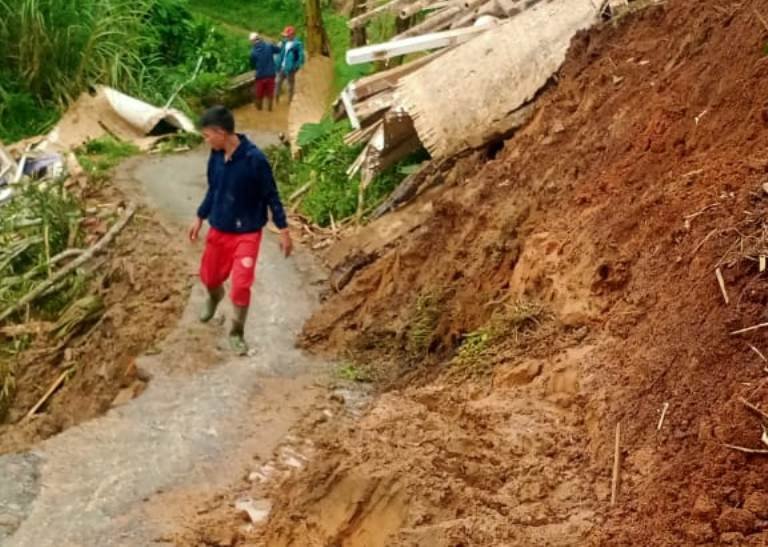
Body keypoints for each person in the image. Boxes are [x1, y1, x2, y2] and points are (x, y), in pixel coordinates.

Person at [189, 106, 293, 354]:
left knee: (241, 284)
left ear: (221, 132)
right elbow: (213, 189)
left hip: (247, 232)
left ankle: (236, 332)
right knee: (210, 278)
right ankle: (214, 297)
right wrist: (200, 216)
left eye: (207, 136)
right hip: (219, 228)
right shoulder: (216, 156)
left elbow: (271, 196)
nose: (206, 141)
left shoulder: (255, 160)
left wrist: (284, 230)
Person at [249, 32, 280, 111]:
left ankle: (259, 111)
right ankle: (270, 110)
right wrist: (274, 44)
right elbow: (278, 50)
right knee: (270, 95)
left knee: (259, 95)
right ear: (260, 38)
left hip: (260, 76)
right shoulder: (269, 46)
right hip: (271, 75)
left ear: (252, 41)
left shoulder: (252, 52)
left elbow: (252, 65)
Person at [275, 26, 305, 104]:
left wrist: (295, 67)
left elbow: (301, 58)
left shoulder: (298, 45)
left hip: (290, 69)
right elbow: (280, 53)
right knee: (278, 82)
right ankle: (276, 99)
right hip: (282, 67)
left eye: (287, 36)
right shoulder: (284, 43)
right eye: (285, 36)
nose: (285, 37)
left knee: (290, 85)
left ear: (292, 35)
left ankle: (289, 101)